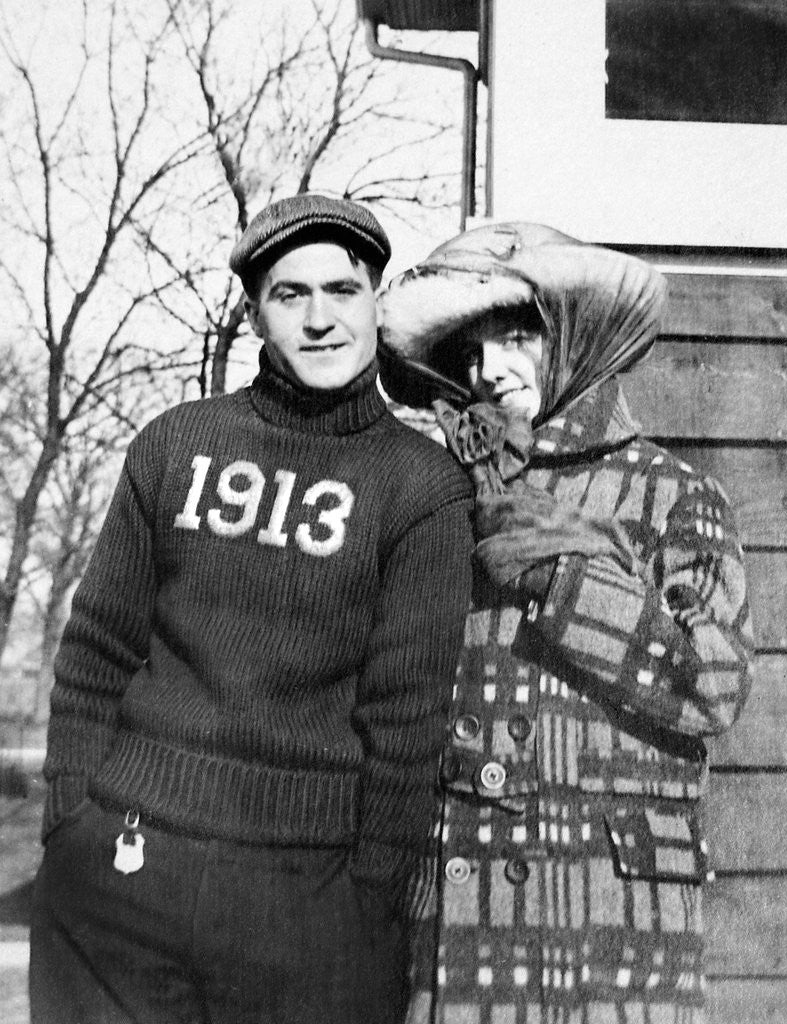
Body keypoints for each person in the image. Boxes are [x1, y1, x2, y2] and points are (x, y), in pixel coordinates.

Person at [29, 194, 473, 1024]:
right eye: (289, 294)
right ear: (256, 315)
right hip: (124, 868)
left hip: (307, 903)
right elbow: (96, 651)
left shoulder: (421, 487)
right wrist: (67, 825)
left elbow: (407, 720)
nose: (319, 319)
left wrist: (370, 895)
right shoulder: (175, 443)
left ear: (378, 301)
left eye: (342, 290)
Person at [378, 222, 754, 1024]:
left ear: (576, 338)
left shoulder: (676, 498)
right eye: (469, 349)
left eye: (516, 336)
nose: (488, 369)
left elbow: (714, 686)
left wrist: (561, 569)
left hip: (612, 918)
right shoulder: (440, 492)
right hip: (466, 906)